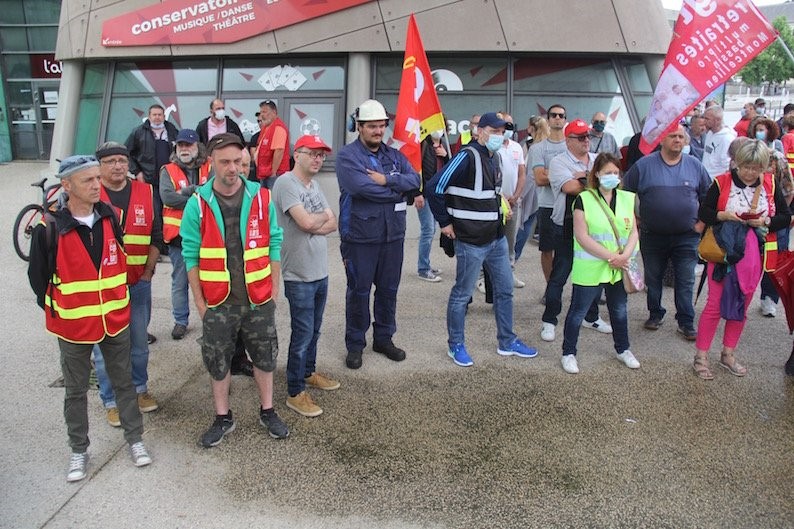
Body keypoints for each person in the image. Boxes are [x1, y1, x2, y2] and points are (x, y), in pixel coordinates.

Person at [28, 155, 151, 481]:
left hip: (114, 318)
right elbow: (39, 282)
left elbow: (119, 263)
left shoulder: (110, 216)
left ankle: (135, 440)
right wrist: (62, 310)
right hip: (73, 326)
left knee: (125, 383)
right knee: (76, 390)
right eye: (88, 180)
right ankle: (79, 450)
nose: (98, 185)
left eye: (98, 178)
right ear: (67, 186)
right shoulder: (49, 227)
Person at [181, 133, 289, 446]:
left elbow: (274, 244)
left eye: (238, 161)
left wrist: (274, 288)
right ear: (210, 164)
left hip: (258, 299)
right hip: (218, 303)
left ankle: (268, 411)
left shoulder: (262, 197)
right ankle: (222, 417)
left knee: (265, 357)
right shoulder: (197, 204)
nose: (233, 168)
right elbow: (190, 256)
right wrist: (200, 304)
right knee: (217, 361)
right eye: (225, 162)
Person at [427, 112, 538, 367]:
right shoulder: (467, 155)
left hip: (495, 238)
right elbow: (434, 187)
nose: (500, 136)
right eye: (495, 130)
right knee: (462, 294)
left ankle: (507, 341)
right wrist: (444, 223)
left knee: (505, 290)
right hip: (471, 241)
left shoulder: (495, 157)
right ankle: (455, 345)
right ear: (480, 131)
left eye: (503, 131)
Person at [693, 140, 789, 379]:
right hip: (723, 251)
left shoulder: (771, 183)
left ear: (764, 167)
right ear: (737, 162)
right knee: (714, 304)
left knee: (742, 304)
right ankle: (701, 356)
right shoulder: (722, 181)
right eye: (745, 166)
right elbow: (704, 212)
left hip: (754, 254)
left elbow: (785, 217)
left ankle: (728, 353)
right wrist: (723, 215)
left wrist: (766, 221)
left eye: (756, 168)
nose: (750, 172)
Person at [335, 99, 420, 369]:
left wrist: (388, 180)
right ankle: (355, 344)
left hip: (392, 236)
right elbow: (361, 189)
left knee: (388, 290)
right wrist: (399, 189)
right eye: (372, 126)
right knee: (358, 292)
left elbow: (415, 180)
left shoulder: (394, 155)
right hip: (360, 237)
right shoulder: (348, 156)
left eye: (382, 126)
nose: (378, 131)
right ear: (359, 127)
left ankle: (383, 338)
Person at [93, 142, 162, 426]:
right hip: (103, 289)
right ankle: (111, 400)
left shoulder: (145, 192)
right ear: (100, 167)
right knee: (105, 348)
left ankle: (139, 389)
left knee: (138, 344)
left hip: (137, 283)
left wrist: (147, 272)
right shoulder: (92, 194)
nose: (118, 166)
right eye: (110, 161)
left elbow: (156, 236)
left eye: (122, 160)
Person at [272, 135, 340, 417]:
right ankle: (295, 391)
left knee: (315, 329)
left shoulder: (314, 185)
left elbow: (332, 220)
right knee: (302, 334)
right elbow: (306, 221)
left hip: (319, 271)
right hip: (297, 273)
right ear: (296, 154)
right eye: (312, 153)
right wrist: (316, 222)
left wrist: (316, 223)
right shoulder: (286, 183)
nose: (317, 159)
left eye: (321, 155)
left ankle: (308, 372)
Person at [623, 125, 712, 339]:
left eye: (681, 137)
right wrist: (632, 220)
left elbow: (708, 197)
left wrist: (701, 224)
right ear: (661, 140)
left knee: (686, 279)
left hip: (687, 236)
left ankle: (686, 321)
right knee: (653, 278)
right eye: (673, 136)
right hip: (652, 235)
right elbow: (625, 194)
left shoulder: (695, 166)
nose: (678, 140)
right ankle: (655, 313)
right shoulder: (643, 166)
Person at [560, 153, 640, 374]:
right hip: (593, 265)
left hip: (620, 265)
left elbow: (633, 232)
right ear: (596, 174)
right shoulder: (584, 199)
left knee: (619, 310)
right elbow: (582, 236)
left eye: (616, 173)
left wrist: (623, 257)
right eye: (607, 173)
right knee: (578, 311)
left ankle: (623, 349)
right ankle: (568, 353)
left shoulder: (626, 198)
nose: (612, 177)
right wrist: (611, 257)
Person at [539, 118, 613, 342]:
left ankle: (591, 316)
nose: (586, 141)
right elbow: (570, 187)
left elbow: (611, 183)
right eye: (580, 137)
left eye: (587, 137)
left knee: (594, 274)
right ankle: (549, 320)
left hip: (595, 226)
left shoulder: (595, 160)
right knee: (560, 274)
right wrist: (594, 180)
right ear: (568, 140)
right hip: (567, 226)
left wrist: (583, 178)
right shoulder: (559, 162)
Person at [159, 129, 211, 340]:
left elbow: (214, 192)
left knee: (208, 282)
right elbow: (168, 198)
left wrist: (186, 191)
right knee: (180, 283)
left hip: (207, 236)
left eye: (188, 145)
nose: (184, 149)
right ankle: (181, 321)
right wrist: (198, 193)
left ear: (197, 146)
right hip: (178, 238)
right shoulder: (167, 170)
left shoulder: (210, 165)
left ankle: (210, 320)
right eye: (180, 145)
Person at [530, 105, 568, 286]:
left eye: (561, 115)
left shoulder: (571, 145)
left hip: (570, 204)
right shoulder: (538, 148)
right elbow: (539, 178)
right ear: (548, 119)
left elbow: (582, 175)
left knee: (568, 251)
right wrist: (565, 176)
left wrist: (549, 172)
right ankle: (551, 287)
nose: (558, 118)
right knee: (547, 250)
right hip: (547, 205)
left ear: (565, 119)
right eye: (554, 115)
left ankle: (562, 285)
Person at [125, 104, 178, 215]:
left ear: (164, 116)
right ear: (149, 117)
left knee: (168, 210)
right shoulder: (138, 132)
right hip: (147, 180)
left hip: (168, 179)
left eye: (160, 115)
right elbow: (126, 153)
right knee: (153, 210)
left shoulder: (172, 130)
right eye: (154, 115)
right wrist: (137, 172)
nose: (157, 117)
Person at [758, 150, 793, 317]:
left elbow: (788, 191)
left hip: (775, 222)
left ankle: (769, 299)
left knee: (775, 260)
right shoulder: (743, 155)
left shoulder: (777, 158)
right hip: (751, 222)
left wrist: (778, 214)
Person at [415, 128, 449, 282]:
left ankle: (426, 264)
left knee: (432, 229)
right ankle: (423, 268)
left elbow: (450, 170)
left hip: (439, 195)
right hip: (426, 194)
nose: (438, 130)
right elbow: (416, 170)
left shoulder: (444, 145)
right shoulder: (423, 145)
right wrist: (417, 192)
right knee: (428, 230)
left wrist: (446, 156)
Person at [497, 112, 527, 287]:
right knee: (490, 241)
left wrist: (515, 196)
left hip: (513, 202)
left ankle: (509, 273)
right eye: (503, 124)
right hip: (495, 203)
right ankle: (482, 278)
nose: (507, 128)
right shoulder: (492, 147)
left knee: (510, 241)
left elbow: (522, 174)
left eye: (510, 125)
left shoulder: (516, 147)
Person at [514, 117, 548, 261]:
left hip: (529, 190)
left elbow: (523, 170)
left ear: (531, 128)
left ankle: (512, 259)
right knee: (526, 224)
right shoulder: (548, 145)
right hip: (543, 191)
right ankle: (513, 261)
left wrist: (519, 192)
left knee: (523, 224)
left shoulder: (529, 146)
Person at [255, 100, 291, 189]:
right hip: (264, 173)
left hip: (274, 174)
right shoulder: (266, 128)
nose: (262, 115)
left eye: (265, 112)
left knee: (273, 200)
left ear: (274, 112)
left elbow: (279, 151)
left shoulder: (278, 128)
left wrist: (273, 172)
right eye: (261, 112)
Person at [702, 106, 737, 179]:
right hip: (705, 177)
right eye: (704, 118)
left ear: (717, 120)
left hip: (716, 180)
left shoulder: (727, 139)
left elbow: (727, 165)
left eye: (707, 119)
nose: (704, 121)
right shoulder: (709, 133)